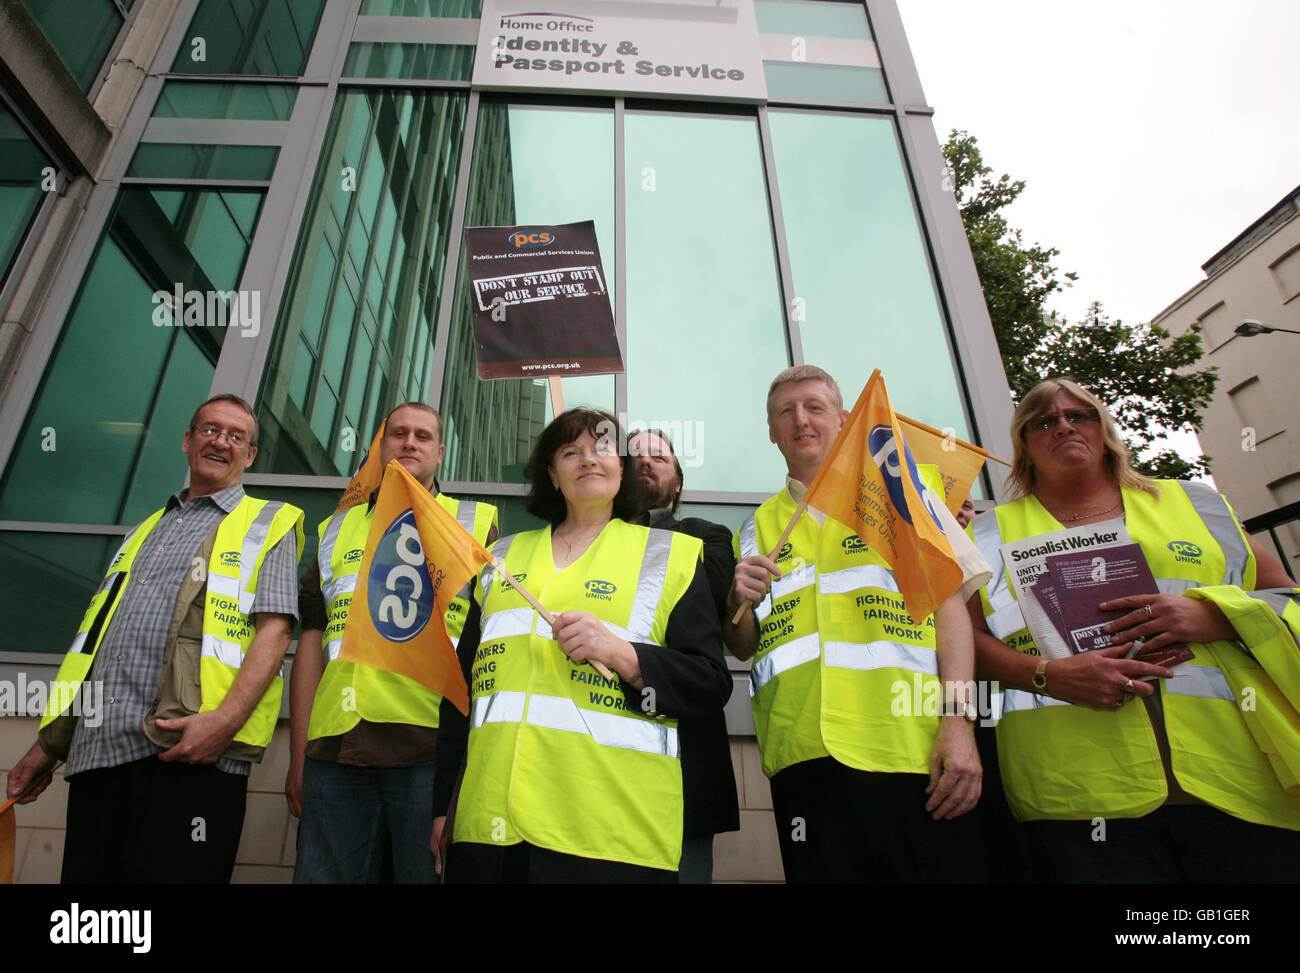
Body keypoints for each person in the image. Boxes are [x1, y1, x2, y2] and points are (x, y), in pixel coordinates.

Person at [967, 377, 1300, 882]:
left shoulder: (1195, 503)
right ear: (1025, 447)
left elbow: (1286, 599)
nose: (1062, 425)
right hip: (1079, 790)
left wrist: (1216, 614)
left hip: (1235, 771)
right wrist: (1046, 676)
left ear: (1104, 430)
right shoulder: (985, 533)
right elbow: (964, 642)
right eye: (1043, 421)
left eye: (1078, 415)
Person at [5, 394, 303, 883]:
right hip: (98, 756)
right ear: (187, 441)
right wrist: (51, 746)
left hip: (188, 753)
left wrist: (223, 726)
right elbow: (97, 647)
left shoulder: (267, 523)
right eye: (209, 430)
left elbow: (275, 633)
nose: (220, 442)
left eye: (235, 436)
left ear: (249, 456)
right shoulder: (143, 530)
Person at [432, 408, 731, 882]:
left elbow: (710, 685)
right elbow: (461, 692)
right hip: (488, 829)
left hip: (610, 834)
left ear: (622, 467)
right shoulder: (500, 559)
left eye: (603, 448)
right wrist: (440, 807)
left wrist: (624, 655)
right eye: (571, 452)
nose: (588, 460)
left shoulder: (671, 556)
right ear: (552, 474)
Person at [726, 365, 990, 882]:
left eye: (815, 407)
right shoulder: (753, 528)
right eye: (786, 411)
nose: (801, 420)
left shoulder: (905, 492)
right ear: (772, 431)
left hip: (909, 749)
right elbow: (742, 645)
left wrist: (960, 724)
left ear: (845, 420)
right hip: (801, 754)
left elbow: (951, 610)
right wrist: (737, 600)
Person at [289, 402, 497, 883]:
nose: (409, 443)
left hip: (428, 749)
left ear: (440, 452)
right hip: (334, 749)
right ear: (381, 447)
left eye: (422, 436)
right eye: (398, 433)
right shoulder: (333, 529)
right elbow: (311, 641)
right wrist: (299, 752)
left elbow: (486, 646)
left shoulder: (474, 524)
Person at [628, 428, 739, 883]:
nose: (645, 462)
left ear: (677, 485)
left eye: (660, 458)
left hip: (685, 752)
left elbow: (712, 599)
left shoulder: (707, 536)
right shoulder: (582, 543)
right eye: (633, 456)